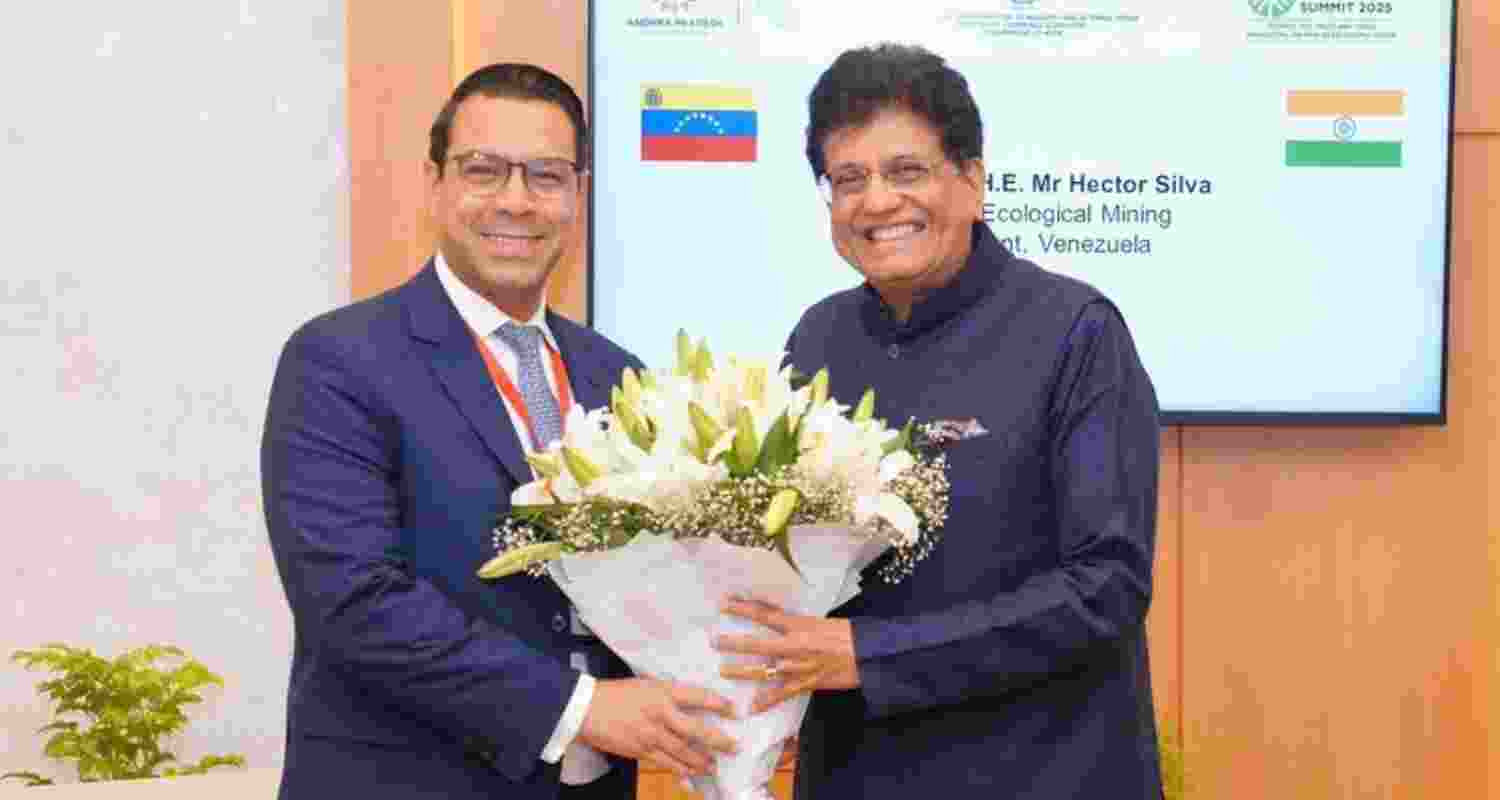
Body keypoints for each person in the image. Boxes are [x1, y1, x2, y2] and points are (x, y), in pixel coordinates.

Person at [262, 63, 736, 800]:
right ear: (435, 183)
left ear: (577, 194)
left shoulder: (619, 376)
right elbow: (354, 602)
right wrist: (581, 709)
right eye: (484, 170)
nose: (516, 201)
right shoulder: (339, 360)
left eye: (546, 176)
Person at [715, 44, 1164, 798]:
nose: (877, 202)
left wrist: (869, 655)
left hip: (1042, 771)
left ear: (973, 182)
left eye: (906, 171)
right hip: (857, 772)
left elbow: (1106, 586)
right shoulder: (818, 339)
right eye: (848, 179)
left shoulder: (1075, 331)